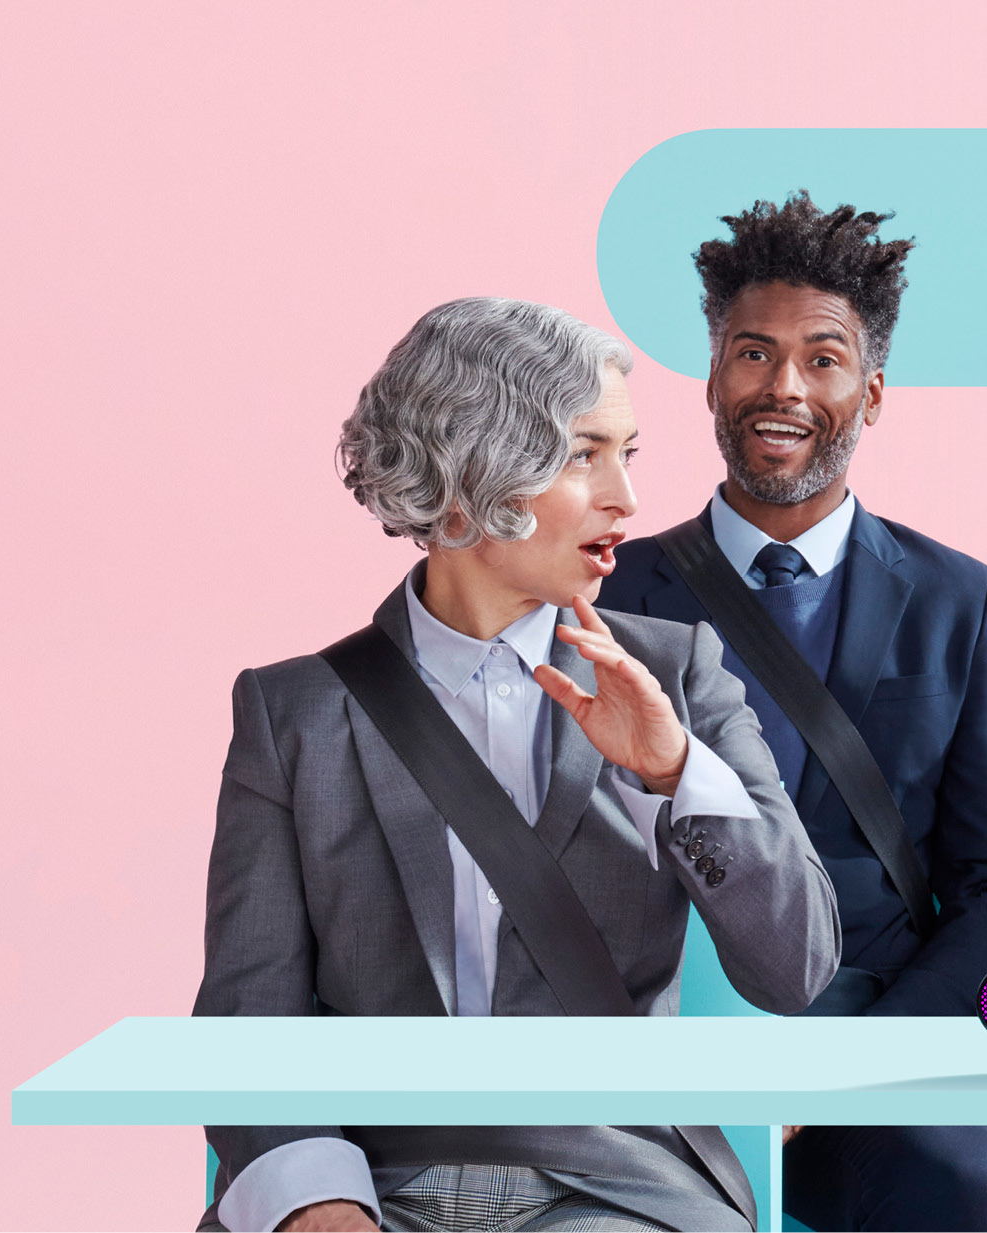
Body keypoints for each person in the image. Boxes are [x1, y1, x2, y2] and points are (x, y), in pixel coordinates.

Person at [194, 297, 840, 1233]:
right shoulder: (294, 712)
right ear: (468, 476)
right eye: (585, 455)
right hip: (370, 1177)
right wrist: (312, 1200)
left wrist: (675, 772)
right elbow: (248, 1013)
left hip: (612, 1188)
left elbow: (798, 968)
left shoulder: (676, 676)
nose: (626, 499)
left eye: (628, 453)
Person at [597, 193, 987, 1233]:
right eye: (753, 354)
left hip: (884, 1033)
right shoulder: (608, 593)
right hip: (663, 1031)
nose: (784, 388)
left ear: (872, 391)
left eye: (823, 358)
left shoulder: (958, 599)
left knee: (947, 1179)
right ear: (712, 378)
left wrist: (859, 1058)